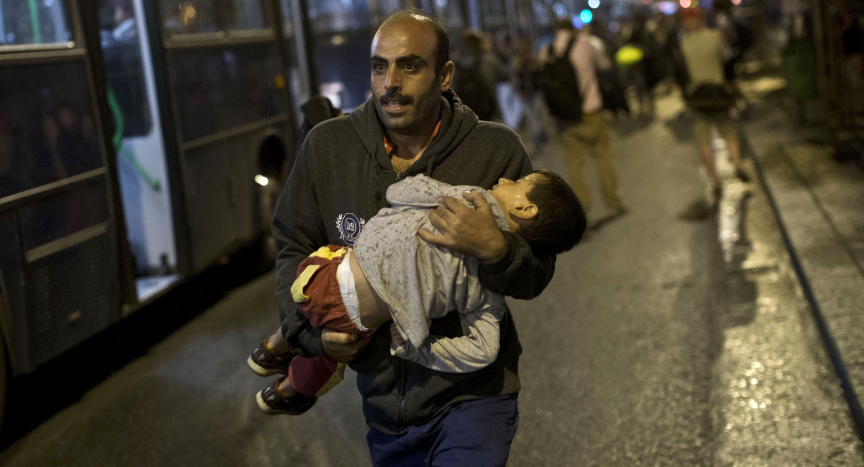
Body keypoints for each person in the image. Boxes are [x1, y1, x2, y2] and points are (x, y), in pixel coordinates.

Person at [270, 8, 557, 465]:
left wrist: (497, 250)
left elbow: (537, 273)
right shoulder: (328, 147)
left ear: (444, 75)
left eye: (409, 65)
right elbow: (293, 246)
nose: (390, 83)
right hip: (383, 408)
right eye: (379, 66)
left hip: (474, 398)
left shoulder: (495, 150)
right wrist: (312, 339)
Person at [251, 171, 585, 414]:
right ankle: (288, 389)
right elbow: (484, 348)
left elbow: (401, 191)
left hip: (328, 272)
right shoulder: (486, 290)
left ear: (526, 210)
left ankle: (272, 351)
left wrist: (433, 187)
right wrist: (416, 346)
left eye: (520, 183)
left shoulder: (469, 197)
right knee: (327, 353)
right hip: (357, 322)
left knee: (313, 293)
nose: (505, 180)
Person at [540, 18, 625, 221]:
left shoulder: (546, 51)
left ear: (555, 29)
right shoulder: (585, 43)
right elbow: (604, 64)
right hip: (590, 111)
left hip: (564, 118)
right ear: (573, 29)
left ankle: (582, 210)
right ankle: (613, 202)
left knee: (575, 165)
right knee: (602, 157)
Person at [679, 7, 749, 204]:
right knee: (729, 131)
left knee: (703, 142)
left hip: (697, 97)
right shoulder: (716, 37)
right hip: (719, 94)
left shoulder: (684, 44)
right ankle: (737, 165)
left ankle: (716, 182)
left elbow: (681, 72)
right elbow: (726, 60)